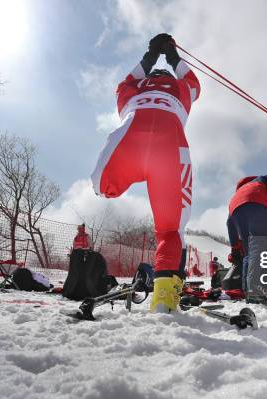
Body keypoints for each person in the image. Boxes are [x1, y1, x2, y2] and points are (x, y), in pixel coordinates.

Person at [90, 33, 200, 313]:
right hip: (170, 145)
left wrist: (150, 57)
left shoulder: (135, 88)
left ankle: (130, 176)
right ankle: (163, 300)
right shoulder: (178, 88)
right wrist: (172, 57)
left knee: (102, 186)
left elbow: (124, 84)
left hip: (131, 139)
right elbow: (194, 84)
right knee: (170, 230)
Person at [226, 175, 267, 302]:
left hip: (235, 209)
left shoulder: (237, 193)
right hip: (257, 203)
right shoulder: (263, 179)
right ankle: (256, 289)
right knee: (260, 246)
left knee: (249, 253)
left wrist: (235, 247)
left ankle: (248, 291)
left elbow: (229, 222)